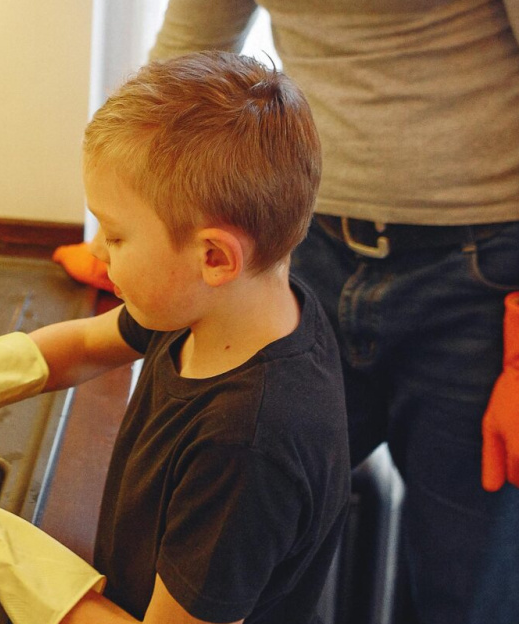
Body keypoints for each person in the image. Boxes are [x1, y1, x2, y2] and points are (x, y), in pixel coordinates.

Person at [0, 51, 350, 624]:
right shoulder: (229, 306)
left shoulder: (246, 446)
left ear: (214, 257)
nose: (97, 250)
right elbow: (88, 345)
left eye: (116, 236)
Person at [146, 2, 519, 622]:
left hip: (483, 276)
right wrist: (127, 232)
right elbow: (189, 53)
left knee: (466, 598)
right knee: (236, 561)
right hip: (299, 250)